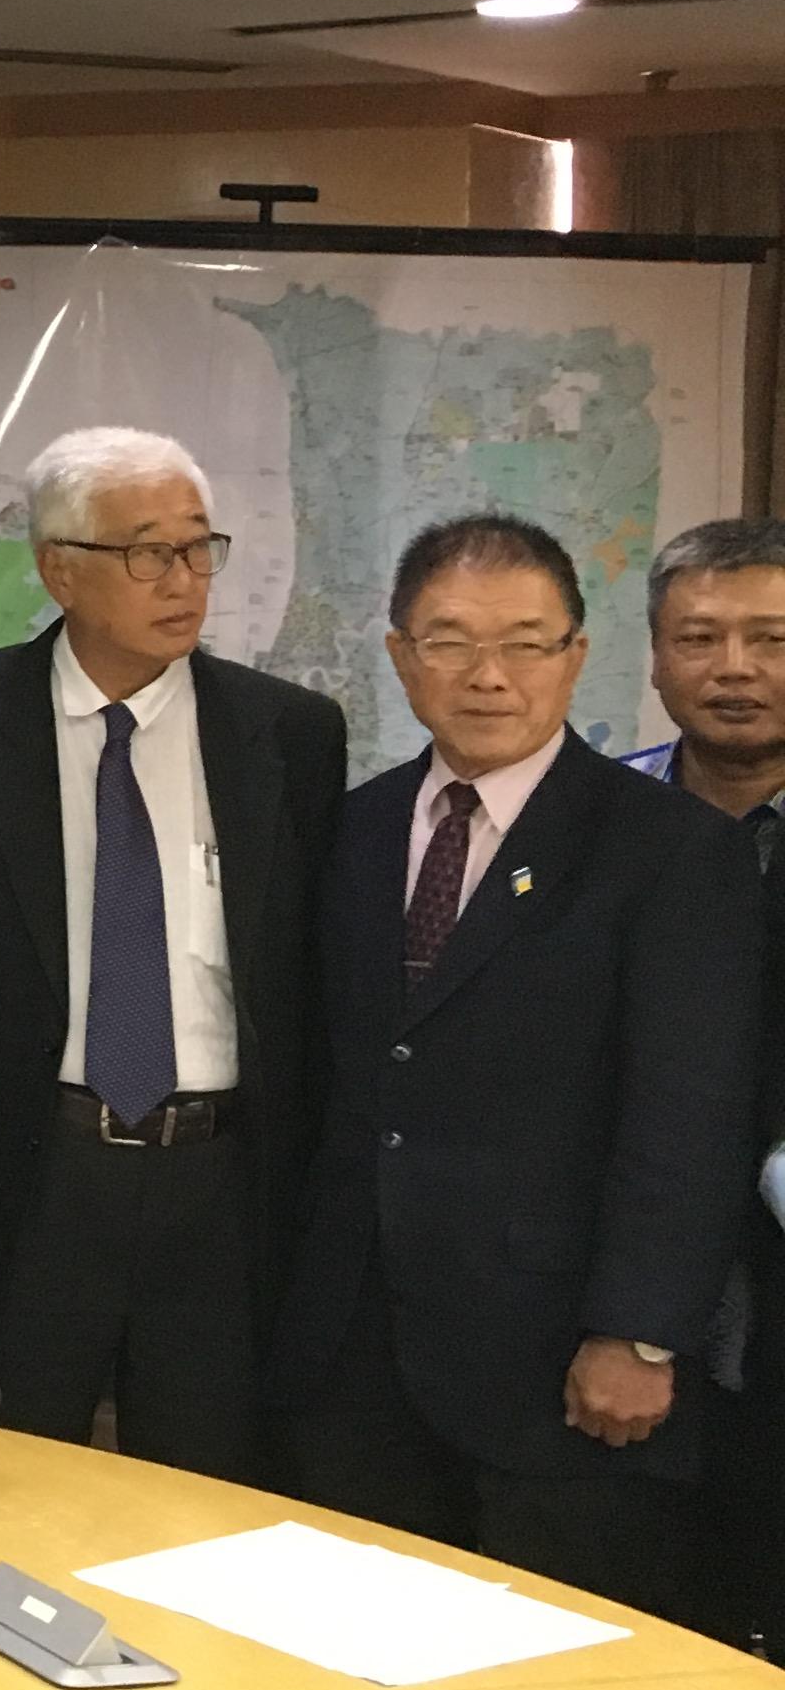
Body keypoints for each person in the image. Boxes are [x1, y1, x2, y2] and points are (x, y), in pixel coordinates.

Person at [270, 515, 760, 1620]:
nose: (488, 677)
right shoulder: (349, 829)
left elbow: (690, 1114)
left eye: (527, 643)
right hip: (352, 1356)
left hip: (561, 1368)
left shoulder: (674, 851)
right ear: (400, 656)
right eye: (449, 642)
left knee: (550, 1689)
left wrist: (638, 1331)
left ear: (578, 657)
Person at [0, 430, 346, 1478]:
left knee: (204, 1500)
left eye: (196, 548)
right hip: (33, 1173)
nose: (183, 580)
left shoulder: (290, 733)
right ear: (58, 569)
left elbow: (306, 986)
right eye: (146, 553)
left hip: (218, 1182)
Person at [648, 519, 785, 1646]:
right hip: (614, 1307)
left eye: (771, 639)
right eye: (700, 637)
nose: (734, 668)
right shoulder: (598, 829)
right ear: (652, 657)